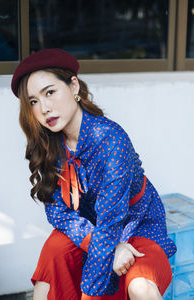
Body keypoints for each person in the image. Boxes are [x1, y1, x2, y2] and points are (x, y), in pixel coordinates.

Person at [11, 48, 177, 300]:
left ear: (74, 86)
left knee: (140, 287)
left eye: (50, 92)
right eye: (33, 101)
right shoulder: (48, 144)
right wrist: (102, 243)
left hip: (136, 222)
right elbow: (56, 211)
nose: (43, 108)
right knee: (53, 256)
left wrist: (91, 293)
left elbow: (111, 222)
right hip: (90, 225)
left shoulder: (110, 139)